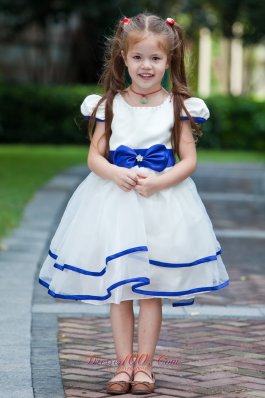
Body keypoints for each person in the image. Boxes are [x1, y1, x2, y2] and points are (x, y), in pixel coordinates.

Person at [38, 12, 229, 395]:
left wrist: (160, 181)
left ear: (169, 61)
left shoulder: (178, 107)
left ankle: (145, 368)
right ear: (123, 59)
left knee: (150, 289)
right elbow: (95, 157)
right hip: (115, 204)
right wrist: (112, 173)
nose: (146, 66)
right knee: (120, 289)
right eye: (138, 57)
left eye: (155, 58)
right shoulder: (109, 104)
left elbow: (188, 161)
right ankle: (122, 368)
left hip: (161, 205)